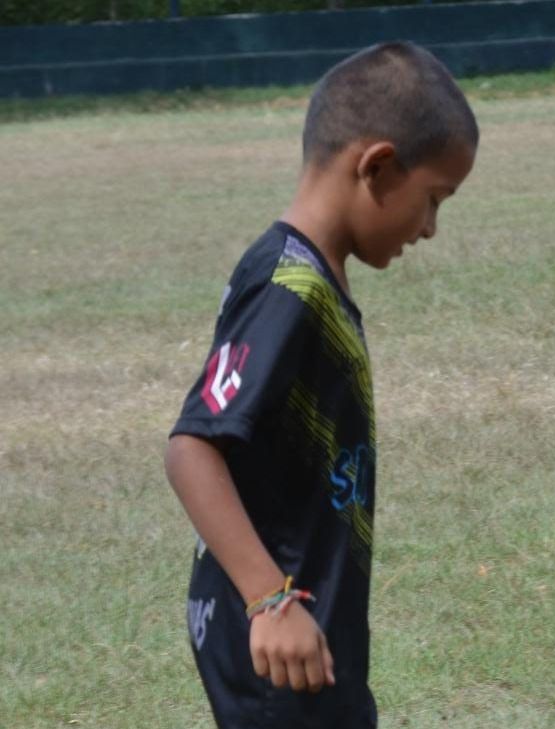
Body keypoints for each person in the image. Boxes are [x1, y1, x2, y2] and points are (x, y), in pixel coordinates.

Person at [164, 41, 478, 729]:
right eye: (432, 200)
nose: (429, 228)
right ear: (377, 166)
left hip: (307, 626)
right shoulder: (291, 286)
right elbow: (193, 446)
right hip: (279, 637)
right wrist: (269, 599)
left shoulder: (305, 274)